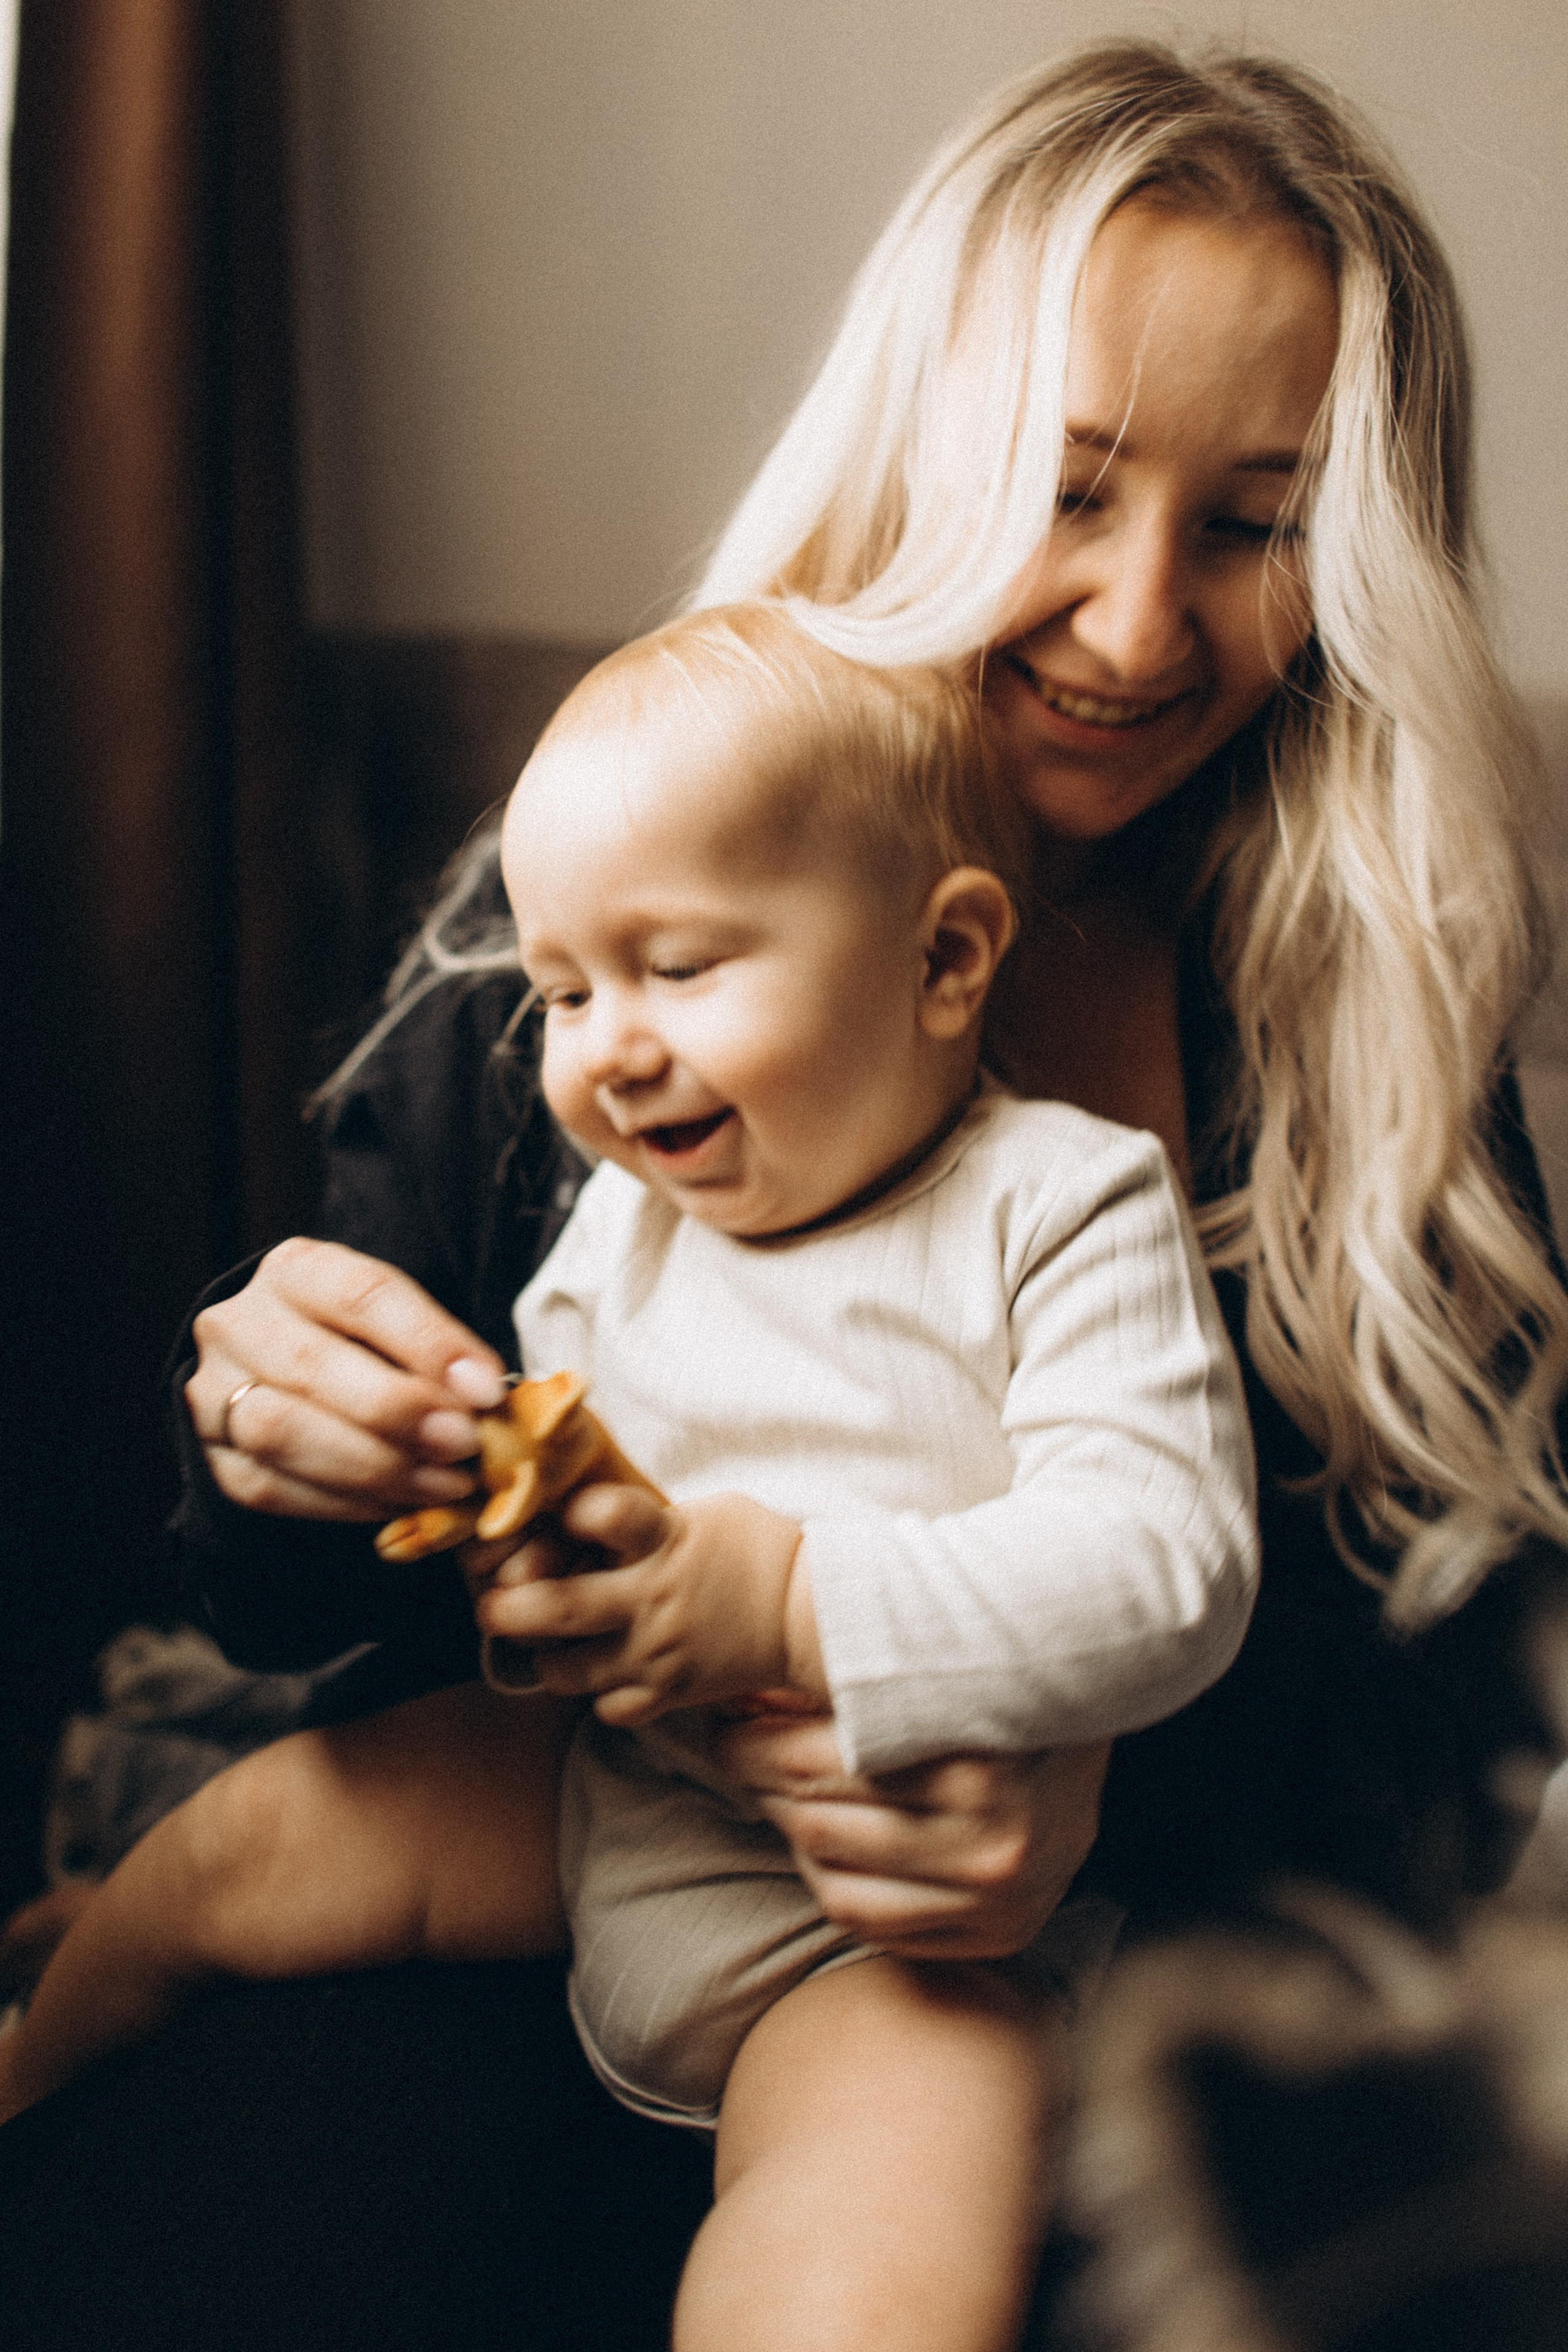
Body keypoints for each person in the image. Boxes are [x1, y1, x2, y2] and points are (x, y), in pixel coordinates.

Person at [3, 37, 1565, 2352]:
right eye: (1066, 488)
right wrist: (280, 1443)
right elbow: (292, 1621)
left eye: (1249, 529)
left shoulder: (1361, 1008)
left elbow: (1448, 1721)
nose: (1139, 632)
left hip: (963, 1975)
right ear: (928, 449)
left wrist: (1081, 1806)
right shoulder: (627, 879)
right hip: (538, 1843)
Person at [0, 608, 1258, 2352]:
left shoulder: (1060, 1206)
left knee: (875, 2231)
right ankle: (32, 2070)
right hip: (602, 1786)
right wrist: (526, 1544)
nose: (604, 1049)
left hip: (876, 1908)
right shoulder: (622, 1225)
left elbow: (1165, 1564)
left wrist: (782, 1600)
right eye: (565, 990)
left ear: (946, 961)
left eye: (677, 968)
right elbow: (576, 1556)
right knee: (236, 1843)